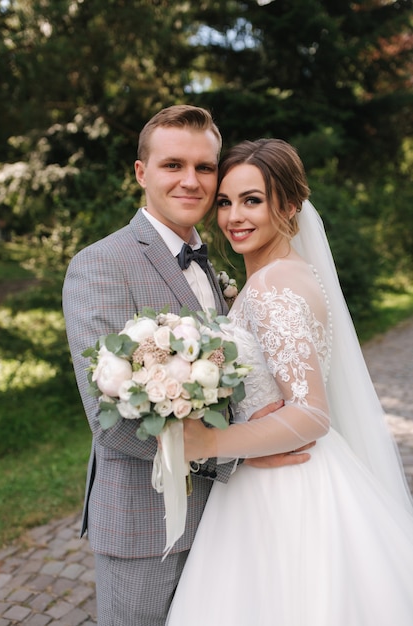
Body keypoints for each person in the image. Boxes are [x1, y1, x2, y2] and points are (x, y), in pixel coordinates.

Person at [62, 107, 310, 626]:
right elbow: (109, 423)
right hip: (147, 525)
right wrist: (234, 459)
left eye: (204, 167)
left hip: (232, 522)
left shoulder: (218, 265)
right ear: (141, 173)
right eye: (173, 164)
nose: (191, 180)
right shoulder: (101, 263)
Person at [166, 138, 413, 626]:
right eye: (226, 201)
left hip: (287, 491)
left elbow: (311, 413)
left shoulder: (275, 285)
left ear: (290, 204)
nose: (234, 215)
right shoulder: (289, 274)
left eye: (252, 200)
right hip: (273, 473)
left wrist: (208, 443)